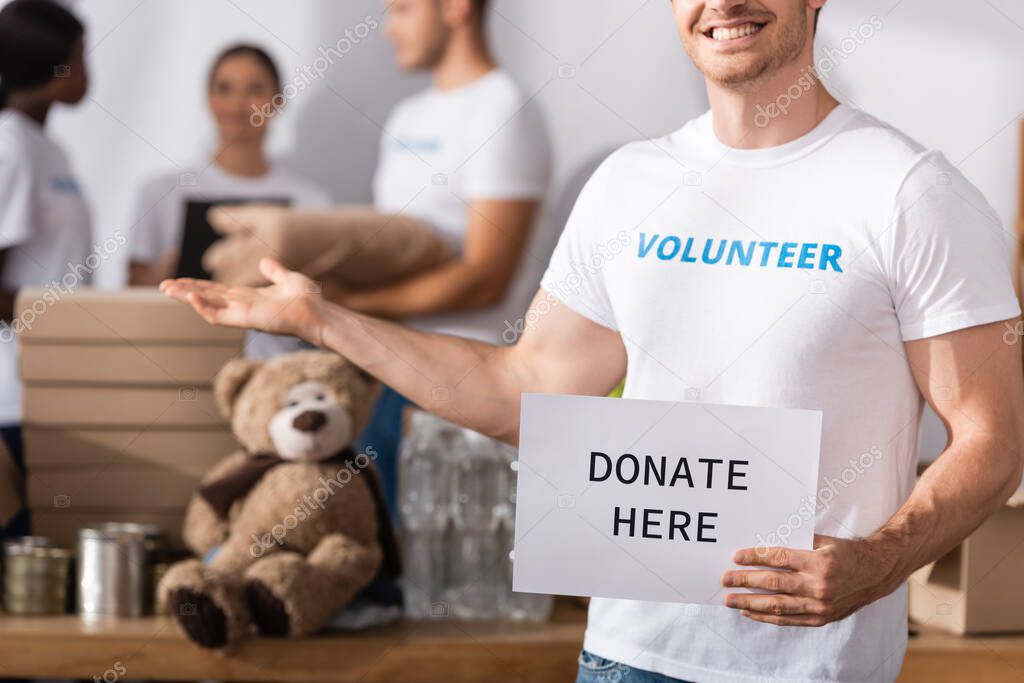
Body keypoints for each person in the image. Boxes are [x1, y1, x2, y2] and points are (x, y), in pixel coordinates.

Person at [161, 0, 1024, 681]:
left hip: (808, 669)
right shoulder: (630, 185)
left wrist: (882, 560)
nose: (725, 3)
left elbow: (992, 435)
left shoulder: (907, 191)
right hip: (625, 657)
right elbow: (521, 388)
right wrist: (324, 321)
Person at [339, 0, 552, 513]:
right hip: (389, 371)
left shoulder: (503, 108)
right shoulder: (405, 116)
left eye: (404, 9)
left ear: (456, 7)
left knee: (445, 573)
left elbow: (487, 276)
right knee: (382, 566)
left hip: (464, 386)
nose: (390, 27)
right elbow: (388, 247)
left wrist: (355, 305)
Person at [127, 43, 331, 358]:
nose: (238, 103)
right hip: (181, 359)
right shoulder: (160, 191)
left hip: (276, 368)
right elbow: (132, 294)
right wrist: (175, 264)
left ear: (278, 101)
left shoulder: (311, 201)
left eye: (254, 89)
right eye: (224, 88)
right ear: (208, 99)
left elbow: (328, 300)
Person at [0, 0, 92, 538]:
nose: (88, 73)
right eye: (81, 58)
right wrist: (65, 321)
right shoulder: (9, 147)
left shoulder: (48, 149)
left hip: (54, 384)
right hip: (13, 393)